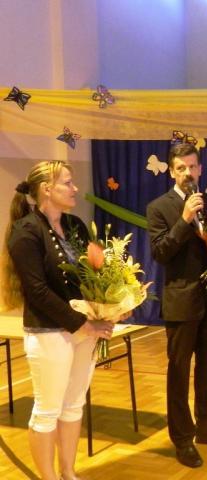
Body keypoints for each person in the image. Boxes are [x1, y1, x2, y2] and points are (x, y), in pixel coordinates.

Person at [0, 161, 114, 480]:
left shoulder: (75, 225)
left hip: (84, 330)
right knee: (48, 410)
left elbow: (93, 276)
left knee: (74, 405)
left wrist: (112, 304)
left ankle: (68, 472)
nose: (75, 188)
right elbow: (37, 291)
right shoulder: (26, 230)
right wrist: (84, 324)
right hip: (49, 332)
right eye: (67, 182)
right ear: (47, 189)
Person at [147, 142, 207, 468]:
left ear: (200, 169)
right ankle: (183, 439)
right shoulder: (159, 208)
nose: (187, 173)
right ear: (172, 172)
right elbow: (161, 253)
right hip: (181, 303)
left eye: (192, 166)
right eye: (181, 168)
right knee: (179, 373)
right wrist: (185, 219)